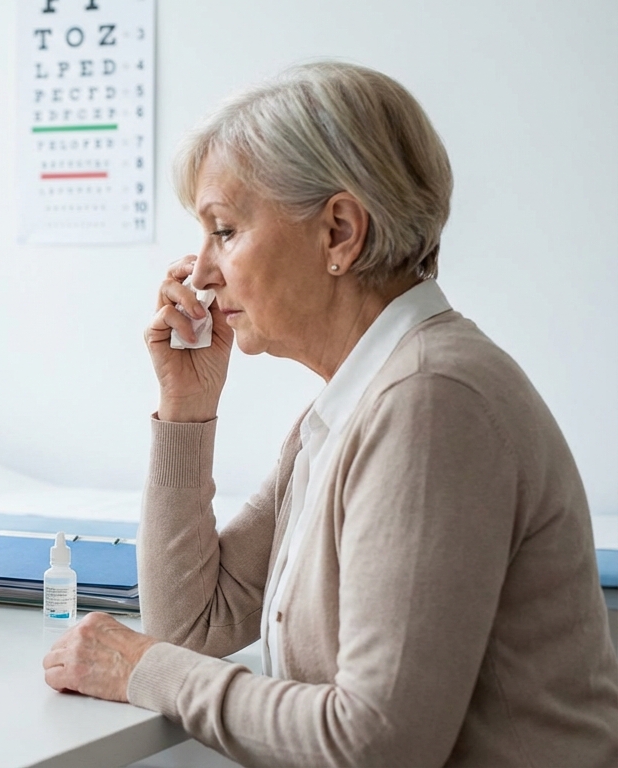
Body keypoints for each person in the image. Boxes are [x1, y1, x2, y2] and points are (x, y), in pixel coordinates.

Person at [42, 61, 618, 766]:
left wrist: (141, 669)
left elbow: (376, 744)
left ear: (340, 231)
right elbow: (191, 625)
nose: (198, 272)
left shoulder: (430, 403)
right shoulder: (364, 396)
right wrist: (186, 412)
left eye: (223, 230)